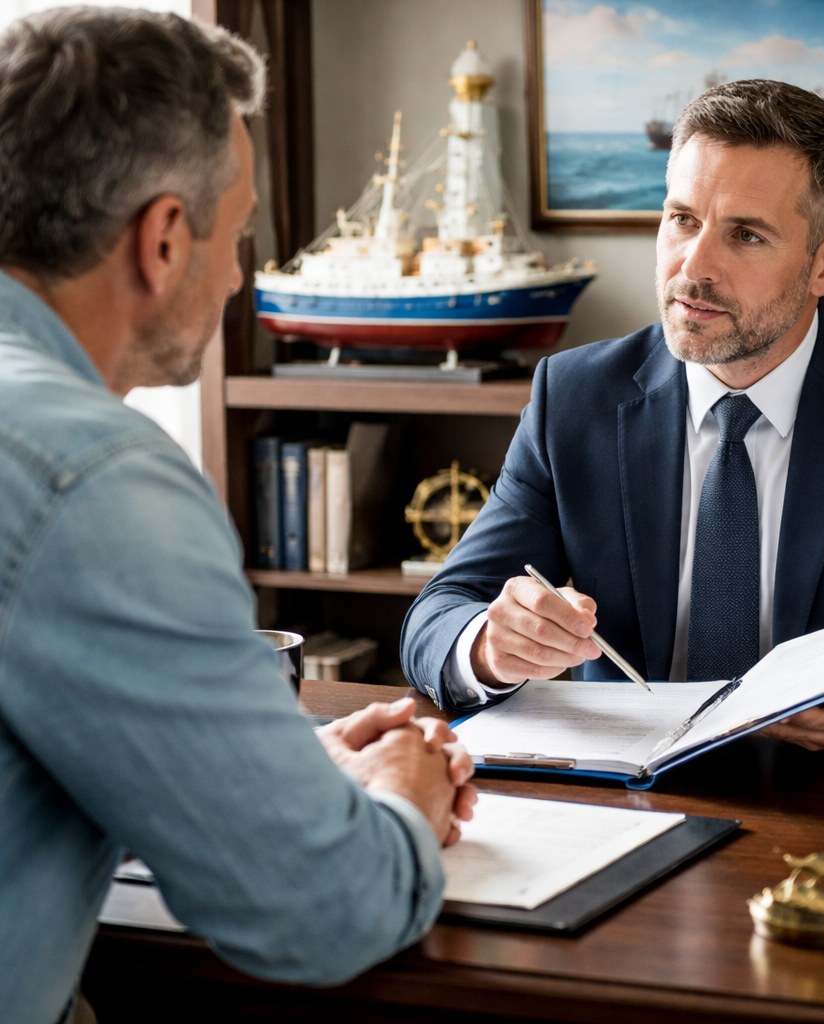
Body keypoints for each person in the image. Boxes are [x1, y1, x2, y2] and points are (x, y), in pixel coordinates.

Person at [0, 10, 475, 1024]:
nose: (239, 277)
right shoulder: (96, 479)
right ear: (166, 239)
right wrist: (401, 793)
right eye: (240, 233)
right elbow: (323, 911)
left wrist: (279, 769)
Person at [402, 79, 824, 756]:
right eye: (682, 219)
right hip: (619, 797)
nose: (693, 268)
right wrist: (491, 645)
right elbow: (438, 615)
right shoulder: (575, 395)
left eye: (746, 235)